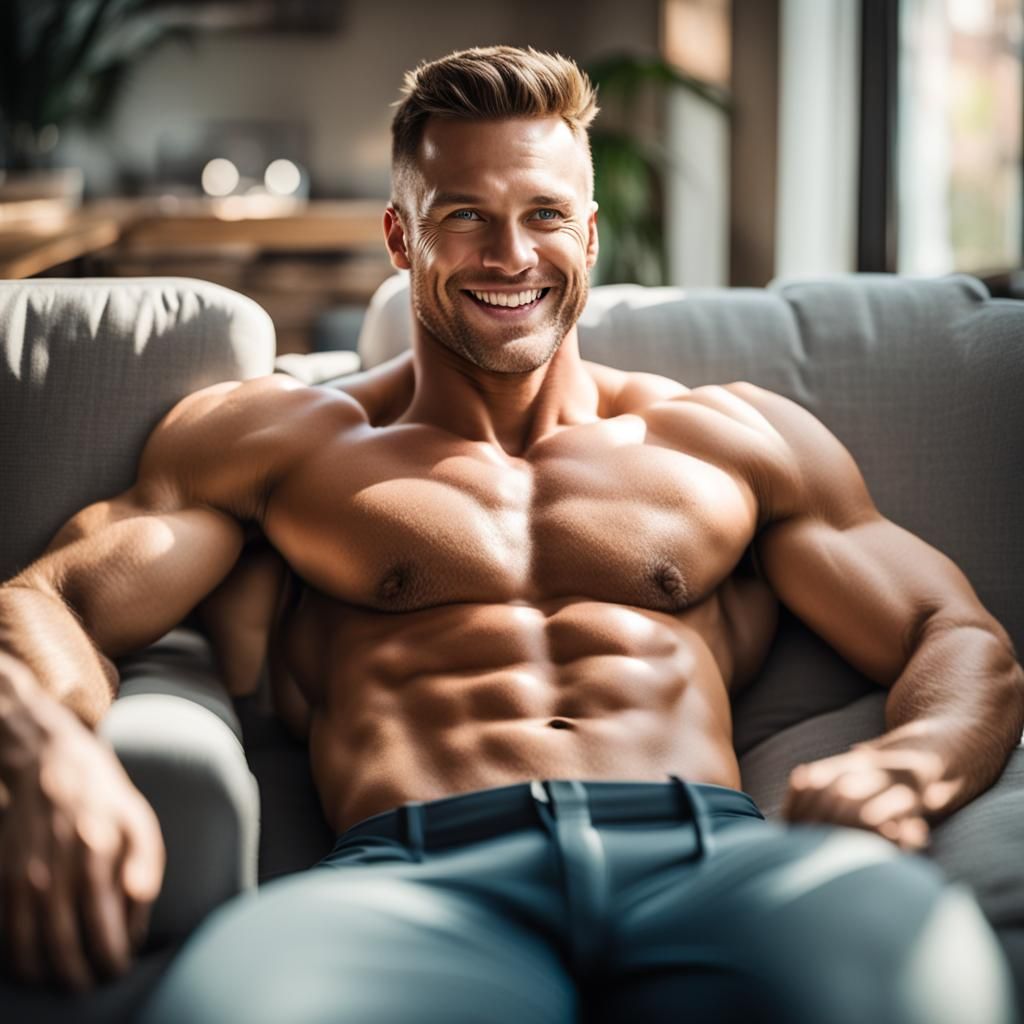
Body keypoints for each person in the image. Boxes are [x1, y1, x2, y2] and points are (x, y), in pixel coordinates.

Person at [0, 45, 1021, 1024]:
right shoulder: (283, 442)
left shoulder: (727, 438)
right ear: (401, 238)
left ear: (588, 233)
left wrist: (914, 761)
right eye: (464, 217)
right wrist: (49, 754)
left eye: (544, 216)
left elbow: (954, 631)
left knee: (926, 987)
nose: (510, 256)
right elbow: (48, 601)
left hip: (718, 859)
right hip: (405, 883)